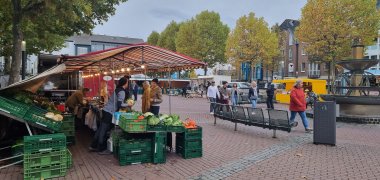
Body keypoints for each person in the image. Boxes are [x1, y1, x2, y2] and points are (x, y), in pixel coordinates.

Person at [90, 77, 129, 154]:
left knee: (101, 129)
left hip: (105, 110)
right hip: (109, 112)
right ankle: (101, 148)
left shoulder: (117, 89)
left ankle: (93, 146)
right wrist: (128, 104)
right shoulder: (122, 91)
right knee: (104, 130)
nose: (128, 84)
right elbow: (120, 104)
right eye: (127, 82)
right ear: (125, 83)